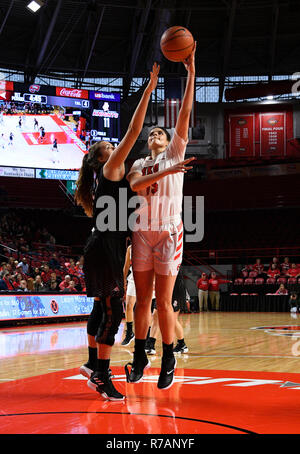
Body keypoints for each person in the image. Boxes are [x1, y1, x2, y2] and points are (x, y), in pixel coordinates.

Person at [74, 62, 160, 401]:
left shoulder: (112, 178)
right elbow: (135, 130)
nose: (117, 148)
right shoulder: (110, 170)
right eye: (111, 147)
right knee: (113, 313)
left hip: (103, 245)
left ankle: (93, 363)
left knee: (101, 309)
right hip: (104, 247)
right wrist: (148, 92)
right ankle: (101, 376)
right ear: (104, 159)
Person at [125, 44, 196, 390]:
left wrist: (191, 74)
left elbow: (184, 114)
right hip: (141, 233)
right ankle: (140, 355)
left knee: (163, 303)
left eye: (160, 133)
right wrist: (165, 173)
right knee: (140, 302)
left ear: (169, 141)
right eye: (151, 133)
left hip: (168, 232)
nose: (154, 135)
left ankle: (168, 355)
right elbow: (136, 185)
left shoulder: (175, 153)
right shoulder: (139, 163)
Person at [145, 267, 189, 356]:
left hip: (175, 289)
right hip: (163, 289)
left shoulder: (171, 258)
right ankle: (151, 345)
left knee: (172, 319)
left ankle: (182, 344)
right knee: (156, 315)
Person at [121, 243, 136, 346]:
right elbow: (126, 265)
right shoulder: (130, 248)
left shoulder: (150, 244)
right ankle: (130, 332)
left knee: (147, 309)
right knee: (129, 305)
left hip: (148, 278)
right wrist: (123, 282)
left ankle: (148, 337)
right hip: (133, 278)